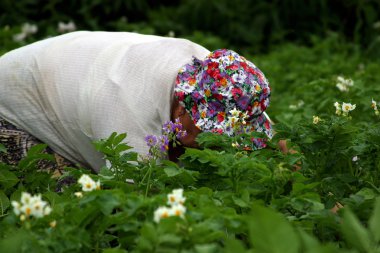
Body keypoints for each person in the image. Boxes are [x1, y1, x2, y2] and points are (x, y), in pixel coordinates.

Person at [0, 31, 274, 173]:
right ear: (181, 107)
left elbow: (269, 134)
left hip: (67, 65)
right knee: (73, 197)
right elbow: (135, 200)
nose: (227, 139)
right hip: (13, 101)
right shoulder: (128, 110)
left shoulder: (217, 74)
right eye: (214, 130)